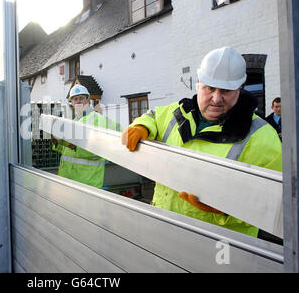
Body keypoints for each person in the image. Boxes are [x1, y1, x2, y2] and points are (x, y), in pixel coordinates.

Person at [121, 47, 282, 242]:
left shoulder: (263, 138)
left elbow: (272, 204)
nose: (216, 98)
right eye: (209, 88)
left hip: (220, 247)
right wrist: (141, 126)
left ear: (239, 89)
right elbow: (154, 116)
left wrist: (228, 208)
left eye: (226, 91)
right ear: (198, 83)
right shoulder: (177, 112)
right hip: (163, 230)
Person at [51, 84, 121, 188]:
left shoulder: (98, 119)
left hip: (88, 183)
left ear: (88, 100)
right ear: (71, 103)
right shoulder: (73, 122)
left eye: (81, 98)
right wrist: (57, 142)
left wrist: (73, 145)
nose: (78, 101)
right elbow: (68, 151)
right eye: (75, 99)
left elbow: (98, 149)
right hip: (69, 181)